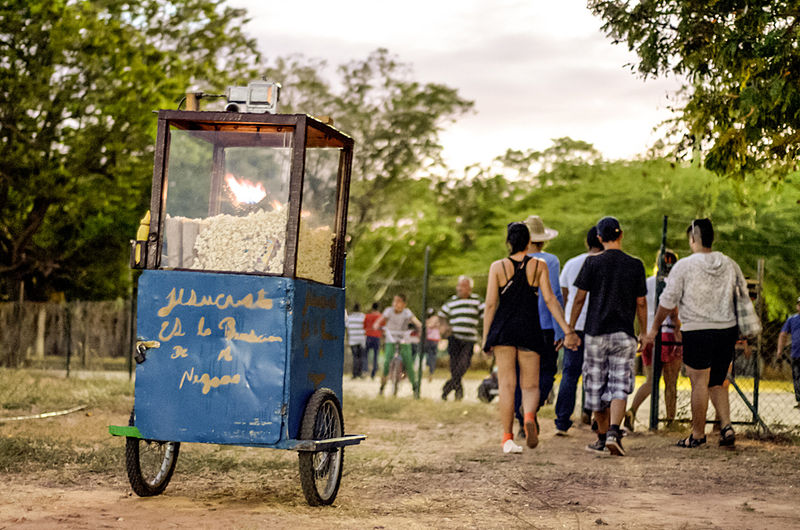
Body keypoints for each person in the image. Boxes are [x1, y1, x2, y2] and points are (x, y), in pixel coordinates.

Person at [644, 218, 744, 448]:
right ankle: (726, 426)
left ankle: (697, 434)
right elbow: (740, 295)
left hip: (697, 329)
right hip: (726, 328)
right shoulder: (729, 263)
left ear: (693, 239)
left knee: (699, 381)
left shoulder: (685, 266)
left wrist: (655, 327)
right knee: (718, 381)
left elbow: (668, 301)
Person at [483, 222, 579, 454]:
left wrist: (486, 338)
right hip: (530, 328)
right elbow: (550, 300)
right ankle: (528, 415)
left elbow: (490, 304)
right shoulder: (539, 265)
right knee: (531, 384)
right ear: (528, 242)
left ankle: (507, 438)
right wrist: (567, 330)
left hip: (504, 330)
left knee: (507, 385)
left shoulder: (497, 267)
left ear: (508, 242)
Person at [570, 216, 647, 457]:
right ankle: (614, 431)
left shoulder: (592, 263)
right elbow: (641, 303)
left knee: (595, 385)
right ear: (621, 235)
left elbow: (580, 298)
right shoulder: (636, 265)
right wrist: (644, 331)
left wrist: (570, 327)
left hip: (595, 333)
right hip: (624, 333)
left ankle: (602, 437)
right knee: (619, 385)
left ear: (600, 238)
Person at [553, 226, 604, 435]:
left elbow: (564, 296)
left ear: (587, 242)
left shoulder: (572, 263)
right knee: (599, 374)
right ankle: (596, 417)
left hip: (574, 327)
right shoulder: (606, 263)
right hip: (599, 326)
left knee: (570, 373)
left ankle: (562, 421)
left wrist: (566, 327)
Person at [625, 249, 682, 431]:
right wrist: (679, 328)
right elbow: (673, 312)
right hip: (668, 334)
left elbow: (638, 304)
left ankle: (632, 410)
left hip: (649, 334)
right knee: (670, 382)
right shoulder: (673, 284)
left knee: (651, 380)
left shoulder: (647, 282)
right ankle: (670, 420)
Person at [524, 215, 565, 411]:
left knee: (522, 372)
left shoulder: (513, 261)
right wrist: (560, 330)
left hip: (521, 325)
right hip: (546, 325)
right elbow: (554, 294)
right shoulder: (550, 261)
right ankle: (534, 407)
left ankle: (521, 411)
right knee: (547, 370)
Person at [439, 276, 484, 401]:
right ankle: (458, 393)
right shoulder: (452, 301)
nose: (459, 288)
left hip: (469, 339)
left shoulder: (477, 301)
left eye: (463, 286)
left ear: (469, 288)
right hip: (454, 338)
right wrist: (445, 327)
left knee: (463, 365)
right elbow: (442, 316)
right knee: (454, 366)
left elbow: (486, 315)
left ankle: (447, 388)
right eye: (458, 285)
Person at [377, 294, 422, 395]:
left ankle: (415, 388)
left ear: (404, 304)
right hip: (391, 338)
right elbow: (379, 321)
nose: (395, 304)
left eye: (398, 301)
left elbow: (416, 322)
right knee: (387, 362)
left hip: (403, 339)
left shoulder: (407, 312)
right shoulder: (388, 311)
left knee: (409, 363)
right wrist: (377, 325)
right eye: (394, 301)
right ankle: (382, 386)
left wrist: (419, 327)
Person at [777, 297, 800, 409]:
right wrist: (780, 350)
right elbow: (783, 334)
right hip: (796, 353)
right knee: (797, 377)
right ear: (797, 306)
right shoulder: (792, 319)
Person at [345, 303, 367, 378]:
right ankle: (359, 373)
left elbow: (347, 328)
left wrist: (348, 338)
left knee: (355, 357)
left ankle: (354, 374)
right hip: (361, 339)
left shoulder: (350, 317)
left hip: (353, 339)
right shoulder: (363, 317)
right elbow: (366, 327)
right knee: (361, 357)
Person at [364, 302, 382, 379]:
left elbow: (364, 326)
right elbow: (382, 327)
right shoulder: (380, 316)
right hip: (377, 337)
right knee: (375, 355)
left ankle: (365, 370)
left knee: (365, 355)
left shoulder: (367, 316)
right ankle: (373, 372)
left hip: (368, 336)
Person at [424, 308, 441, 382]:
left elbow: (430, 326)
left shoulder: (434, 319)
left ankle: (430, 371)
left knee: (431, 355)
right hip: (431, 339)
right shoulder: (432, 319)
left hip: (432, 339)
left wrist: (428, 324)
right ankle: (430, 371)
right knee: (431, 355)